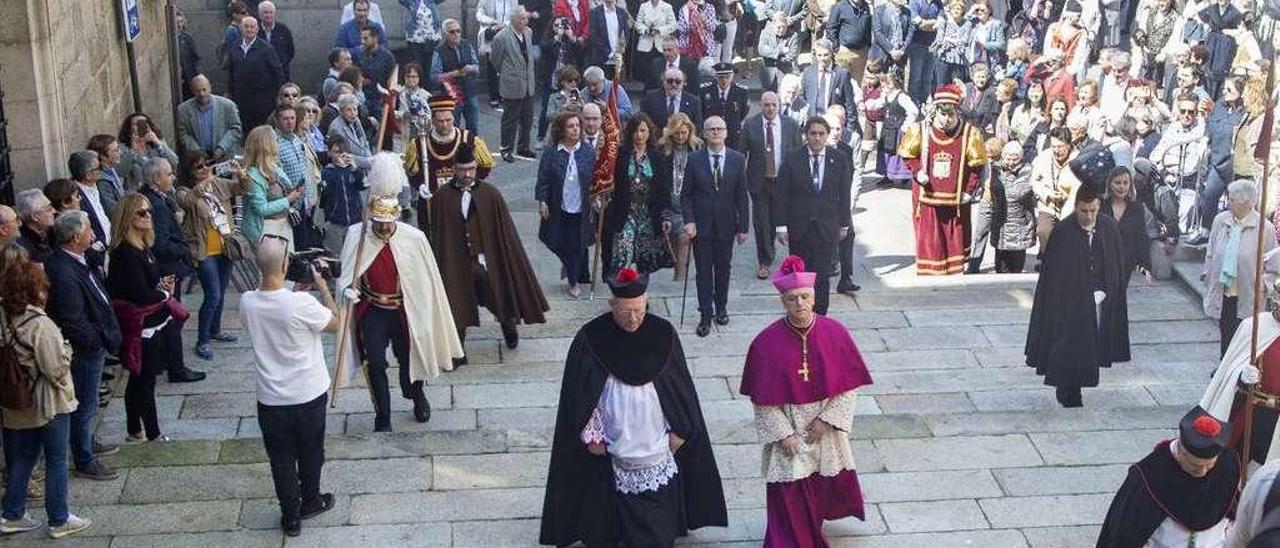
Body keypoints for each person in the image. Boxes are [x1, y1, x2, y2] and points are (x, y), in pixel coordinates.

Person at [539, 267, 728, 547]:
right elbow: (580, 393)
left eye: (639, 310)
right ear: (612, 304)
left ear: (646, 302)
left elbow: (680, 389)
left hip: (656, 440)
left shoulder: (662, 333)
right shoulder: (592, 337)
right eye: (625, 311)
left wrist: (681, 429)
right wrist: (592, 434)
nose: (633, 318)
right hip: (614, 442)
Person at [741, 255, 873, 547]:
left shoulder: (834, 333)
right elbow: (761, 398)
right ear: (783, 302)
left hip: (822, 423)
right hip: (788, 424)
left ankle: (813, 524)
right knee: (790, 489)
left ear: (814, 297)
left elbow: (849, 386)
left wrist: (827, 420)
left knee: (821, 483)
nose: (799, 304)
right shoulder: (765, 343)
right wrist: (783, 433)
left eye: (804, 297)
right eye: (791, 299)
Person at [334, 154, 463, 432]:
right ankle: (383, 415)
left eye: (387, 222)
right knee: (376, 363)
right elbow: (345, 277)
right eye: (378, 221)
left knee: (410, 358)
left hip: (404, 309)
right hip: (372, 310)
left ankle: (417, 395)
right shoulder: (357, 236)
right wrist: (347, 291)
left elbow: (425, 282)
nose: (382, 227)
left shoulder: (413, 238)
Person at [240, 237, 338, 537]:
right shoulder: (302, 303)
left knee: (280, 457)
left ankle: (290, 516)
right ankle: (310, 500)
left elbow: (276, 313)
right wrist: (322, 287)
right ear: (285, 265)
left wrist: (295, 294)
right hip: (308, 392)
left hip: (271, 398)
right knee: (311, 451)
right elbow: (335, 323)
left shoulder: (247, 302)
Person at [0, 261, 93, 539]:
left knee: (24, 457)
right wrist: (66, 349)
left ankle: (11, 513)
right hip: (47, 401)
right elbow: (54, 370)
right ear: (36, 290)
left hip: (16, 400)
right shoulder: (40, 324)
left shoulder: (4, 319)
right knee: (56, 459)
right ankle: (59, 518)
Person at [428, 142, 548, 357]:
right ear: (455, 169)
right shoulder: (442, 197)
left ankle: (508, 326)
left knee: (498, 292)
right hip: (456, 261)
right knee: (457, 302)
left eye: (471, 169)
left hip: (485, 259)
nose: (467, 174)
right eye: (463, 169)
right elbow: (437, 235)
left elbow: (504, 234)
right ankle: (458, 349)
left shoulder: (490, 194)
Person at [1026, 185, 1130, 408]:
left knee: (1092, 344)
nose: (1089, 216)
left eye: (1093, 210)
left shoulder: (1109, 227)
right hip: (1070, 302)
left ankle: (1079, 382)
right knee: (1071, 344)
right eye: (1084, 211)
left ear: (1099, 207)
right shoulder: (1064, 231)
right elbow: (1054, 274)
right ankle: (1070, 389)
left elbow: (1115, 261)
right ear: (1076, 208)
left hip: (1099, 298)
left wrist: (1108, 288)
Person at [43, 210, 121, 483]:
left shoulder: (77, 258)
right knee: (84, 404)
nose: (93, 234)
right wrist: (97, 342)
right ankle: (84, 457)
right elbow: (73, 319)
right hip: (85, 350)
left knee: (88, 405)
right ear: (76, 237)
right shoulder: (63, 271)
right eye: (89, 229)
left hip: (95, 341)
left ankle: (86, 441)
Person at [1096, 406, 1239, 547]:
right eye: (1194, 465)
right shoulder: (1149, 475)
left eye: (1209, 465)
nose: (1202, 471)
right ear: (1180, 452)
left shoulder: (1227, 466)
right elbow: (1124, 532)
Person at [108, 193, 185, 442]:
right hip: (141, 326)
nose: (148, 216)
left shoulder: (142, 247)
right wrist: (162, 293)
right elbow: (140, 294)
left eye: (149, 211)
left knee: (140, 378)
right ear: (128, 218)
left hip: (154, 320)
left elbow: (146, 284)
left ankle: (134, 429)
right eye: (141, 213)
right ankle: (152, 433)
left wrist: (161, 286)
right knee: (145, 379)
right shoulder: (125, 253)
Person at [897, 84, 986, 275]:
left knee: (954, 234)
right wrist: (917, 171)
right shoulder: (920, 130)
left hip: (956, 198)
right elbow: (908, 155)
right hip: (928, 195)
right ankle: (930, 270)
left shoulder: (970, 134)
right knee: (930, 236)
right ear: (935, 111)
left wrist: (969, 191)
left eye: (950, 115)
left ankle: (954, 269)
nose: (946, 120)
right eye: (942, 115)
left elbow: (977, 166)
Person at [175, 152, 249, 361]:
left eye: (207, 164)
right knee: (213, 294)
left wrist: (240, 174)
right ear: (190, 172)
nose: (205, 168)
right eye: (199, 167)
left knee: (222, 292)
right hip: (204, 250)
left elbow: (243, 188)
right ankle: (202, 339)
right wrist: (208, 179)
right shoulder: (184, 190)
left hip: (224, 247)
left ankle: (215, 330)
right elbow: (188, 201)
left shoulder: (219, 184)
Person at [776, 116, 852, 316]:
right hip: (799, 226)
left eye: (821, 134)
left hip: (826, 227)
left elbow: (844, 193)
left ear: (827, 136)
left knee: (822, 275)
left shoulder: (839, 158)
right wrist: (781, 226)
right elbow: (782, 195)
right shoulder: (793, 158)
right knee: (800, 274)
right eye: (813, 133)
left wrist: (844, 223)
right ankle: (800, 313)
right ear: (806, 135)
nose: (817, 138)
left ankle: (821, 315)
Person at [681, 116, 750, 337]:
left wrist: (743, 228)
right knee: (703, 272)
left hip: (726, 225)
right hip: (701, 226)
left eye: (720, 128)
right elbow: (686, 195)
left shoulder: (737, 159)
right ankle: (705, 315)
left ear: (726, 132)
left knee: (723, 269)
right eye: (711, 129)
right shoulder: (694, 159)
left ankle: (721, 307)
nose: (716, 132)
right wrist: (689, 221)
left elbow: (741, 196)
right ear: (704, 133)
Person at [1204, 179, 1280, 358]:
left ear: (1246, 202)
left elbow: (1274, 264)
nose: (1227, 202)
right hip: (1224, 289)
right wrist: (1208, 273)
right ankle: (1224, 365)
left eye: (1231, 199)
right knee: (1225, 329)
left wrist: (1263, 285)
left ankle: (1240, 370)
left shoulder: (1265, 228)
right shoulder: (1221, 221)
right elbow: (1211, 251)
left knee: (1245, 334)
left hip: (1248, 292)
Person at [405, 95, 495, 232]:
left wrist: (471, 183)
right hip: (432, 206)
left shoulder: (468, 139)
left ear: (454, 118)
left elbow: (485, 167)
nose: (445, 124)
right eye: (440, 121)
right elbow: (412, 172)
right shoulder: (419, 144)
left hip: (463, 202)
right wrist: (420, 185)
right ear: (433, 120)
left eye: (448, 120)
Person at [602, 114, 675, 277]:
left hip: (648, 214)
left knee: (643, 259)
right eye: (635, 131)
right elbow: (609, 179)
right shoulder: (621, 155)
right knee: (624, 252)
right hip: (625, 212)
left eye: (643, 130)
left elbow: (664, 189)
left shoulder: (657, 157)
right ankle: (623, 293)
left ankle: (640, 295)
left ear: (650, 132)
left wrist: (665, 216)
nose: (639, 135)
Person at [740, 92, 801, 280]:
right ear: (761, 106)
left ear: (779, 105)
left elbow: (799, 154)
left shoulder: (790, 125)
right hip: (759, 182)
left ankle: (779, 251)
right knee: (761, 223)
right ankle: (764, 261)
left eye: (774, 105)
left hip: (783, 182)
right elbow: (742, 153)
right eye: (766, 105)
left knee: (778, 221)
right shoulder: (750, 125)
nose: (770, 108)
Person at [537, 111, 596, 298]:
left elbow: (595, 178)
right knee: (559, 242)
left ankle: (573, 281)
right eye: (570, 126)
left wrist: (598, 197)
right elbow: (543, 178)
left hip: (581, 208)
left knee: (576, 245)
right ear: (562, 130)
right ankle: (568, 265)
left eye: (577, 126)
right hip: (559, 206)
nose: (575, 130)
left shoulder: (587, 151)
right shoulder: (552, 153)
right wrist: (542, 200)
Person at [658, 113, 702, 282]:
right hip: (670, 203)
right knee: (675, 244)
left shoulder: (697, 148)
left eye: (684, 132)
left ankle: (679, 279)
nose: (681, 137)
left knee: (684, 238)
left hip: (689, 204)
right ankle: (679, 271)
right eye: (677, 133)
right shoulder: (663, 150)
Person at [491, 6, 538, 163]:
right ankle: (506, 148)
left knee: (527, 118)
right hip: (512, 85)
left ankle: (523, 147)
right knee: (510, 119)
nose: (526, 21)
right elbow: (495, 60)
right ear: (514, 20)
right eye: (523, 18)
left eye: (526, 18)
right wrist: (507, 73)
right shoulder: (501, 37)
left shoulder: (528, 32)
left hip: (528, 84)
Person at [243, 126, 303, 248]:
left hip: (284, 225)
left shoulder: (276, 168)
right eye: (275, 140)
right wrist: (288, 199)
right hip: (266, 232)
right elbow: (261, 209)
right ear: (267, 145)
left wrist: (292, 192)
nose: (278, 143)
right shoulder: (252, 176)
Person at [1102, 167, 1158, 290]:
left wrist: (1145, 265)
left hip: (1125, 261)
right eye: (1117, 183)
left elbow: (1141, 237)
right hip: (1102, 260)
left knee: (1119, 297)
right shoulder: (1101, 206)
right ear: (1110, 184)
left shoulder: (1136, 208)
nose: (1122, 187)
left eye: (1125, 183)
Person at [227, 16, 285, 130]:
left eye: (252, 27)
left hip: (263, 100)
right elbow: (231, 72)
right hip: (242, 99)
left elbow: (278, 73)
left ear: (257, 29)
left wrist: (278, 96)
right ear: (240, 28)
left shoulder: (267, 48)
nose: (249, 30)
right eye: (246, 27)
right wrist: (231, 93)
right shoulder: (234, 47)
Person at [1030, 127, 1082, 252]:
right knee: (1044, 232)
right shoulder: (1043, 157)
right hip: (1048, 204)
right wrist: (1047, 194)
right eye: (1054, 146)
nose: (1056, 151)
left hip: (1070, 205)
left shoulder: (1078, 160)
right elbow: (1034, 181)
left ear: (1069, 145)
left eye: (1060, 147)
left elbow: (1078, 190)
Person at [431, 19, 482, 134]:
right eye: (452, 32)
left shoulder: (467, 45)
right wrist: (453, 74)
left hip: (470, 92)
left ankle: (472, 150)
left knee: (473, 127)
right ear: (445, 34)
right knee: (452, 128)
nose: (456, 34)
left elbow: (477, 67)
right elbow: (434, 77)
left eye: (458, 31)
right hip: (451, 95)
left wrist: (471, 68)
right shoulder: (439, 51)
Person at [990, 142, 1035, 273]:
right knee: (1001, 265)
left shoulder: (1027, 170)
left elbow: (1019, 192)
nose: (1011, 162)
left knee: (1016, 265)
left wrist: (1002, 190)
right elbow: (994, 187)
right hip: (1001, 220)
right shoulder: (996, 169)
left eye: (1014, 159)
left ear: (1020, 158)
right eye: (1008, 158)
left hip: (1020, 221)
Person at [176, 75, 243, 161]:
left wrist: (222, 147)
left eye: (204, 90)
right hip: (199, 160)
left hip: (224, 157)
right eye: (197, 91)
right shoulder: (183, 109)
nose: (202, 94)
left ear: (210, 88)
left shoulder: (227, 105)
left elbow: (235, 129)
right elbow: (183, 133)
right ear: (192, 91)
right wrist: (197, 150)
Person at [320, 137, 367, 256]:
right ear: (329, 153)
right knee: (335, 255)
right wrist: (339, 170)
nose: (340, 155)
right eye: (336, 152)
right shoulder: (327, 172)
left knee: (354, 255)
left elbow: (364, 185)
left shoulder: (352, 170)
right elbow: (328, 193)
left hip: (355, 221)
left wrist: (356, 169)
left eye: (343, 152)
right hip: (335, 222)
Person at [699, 63, 750, 150]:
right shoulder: (705, 90)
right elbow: (701, 111)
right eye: (721, 77)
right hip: (712, 134)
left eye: (727, 77)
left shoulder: (741, 92)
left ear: (732, 76)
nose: (724, 80)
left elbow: (743, 112)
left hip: (732, 134)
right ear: (715, 77)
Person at [641, 68, 703, 136]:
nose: (674, 84)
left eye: (678, 82)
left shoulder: (693, 101)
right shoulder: (650, 98)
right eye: (669, 81)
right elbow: (644, 121)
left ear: (684, 83)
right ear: (663, 82)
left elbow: (698, 126)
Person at [586, 0, 629, 79]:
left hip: (618, 59)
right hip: (601, 58)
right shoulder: (595, 12)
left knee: (617, 87)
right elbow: (594, 36)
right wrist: (609, 53)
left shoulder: (622, 12)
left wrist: (619, 52)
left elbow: (625, 33)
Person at [401, 0, 443, 75]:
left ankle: (428, 85)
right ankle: (417, 84)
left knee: (430, 64)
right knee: (416, 63)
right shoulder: (411, 2)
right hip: (415, 37)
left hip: (432, 36)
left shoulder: (431, 1)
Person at [14, 190, 55, 264]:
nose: (54, 211)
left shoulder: (53, 232)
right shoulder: (21, 247)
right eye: (49, 209)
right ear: (35, 216)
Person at [256, 2, 294, 81]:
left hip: (282, 75)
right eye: (265, 12)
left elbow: (290, 51)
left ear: (275, 14)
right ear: (259, 14)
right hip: (260, 76)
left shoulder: (283, 30)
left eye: (271, 12)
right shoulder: (255, 31)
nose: (268, 15)